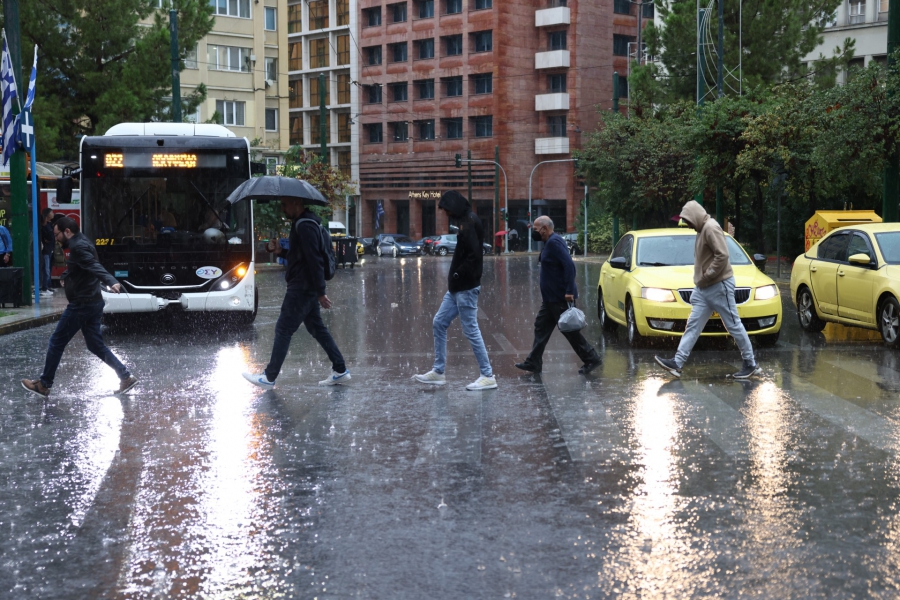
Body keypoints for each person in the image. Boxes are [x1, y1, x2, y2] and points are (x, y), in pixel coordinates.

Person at [21, 217, 138, 398]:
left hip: (81, 305)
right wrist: (67, 274)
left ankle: (44, 384)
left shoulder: (78, 246)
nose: (56, 238)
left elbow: (93, 265)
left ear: (67, 231)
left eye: (57, 234)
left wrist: (111, 281)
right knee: (95, 345)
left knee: (57, 341)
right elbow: (83, 264)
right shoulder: (83, 241)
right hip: (93, 302)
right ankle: (125, 377)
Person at [242, 197, 351, 388]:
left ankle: (269, 377)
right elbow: (299, 257)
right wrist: (281, 251)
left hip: (301, 288)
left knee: (283, 329)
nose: (283, 208)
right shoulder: (304, 223)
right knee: (317, 329)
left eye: (285, 204)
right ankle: (340, 369)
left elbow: (314, 260)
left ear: (296, 203)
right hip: (305, 287)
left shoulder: (304, 226)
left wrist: (320, 292)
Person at [654, 200, 762, 380]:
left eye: (688, 220)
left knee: (733, 324)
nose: (688, 225)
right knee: (693, 326)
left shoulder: (710, 227)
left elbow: (723, 255)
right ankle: (677, 363)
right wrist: (702, 282)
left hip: (719, 285)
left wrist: (707, 276)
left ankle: (750, 363)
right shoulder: (702, 228)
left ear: (694, 216)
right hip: (705, 288)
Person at [413, 190, 497, 391]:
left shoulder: (468, 222)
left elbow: (474, 255)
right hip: (457, 288)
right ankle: (438, 372)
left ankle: (487, 375)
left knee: (471, 329)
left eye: (447, 210)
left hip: (465, 288)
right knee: (439, 323)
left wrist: (459, 274)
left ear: (454, 207)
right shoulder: (465, 221)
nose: (446, 214)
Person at [515, 216, 602, 375]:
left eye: (535, 229)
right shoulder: (550, 242)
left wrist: (569, 290)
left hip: (559, 297)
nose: (534, 232)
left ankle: (592, 358)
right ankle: (534, 362)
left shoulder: (554, 243)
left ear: (544, 229)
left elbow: (569, 265)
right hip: (550, 299)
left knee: (570, 331)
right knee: (541, 327)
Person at [39, 208, 55, 296]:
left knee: (48, 268)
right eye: (52, 212)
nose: (53, 214)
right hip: (46, 250)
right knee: (46, 269)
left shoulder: (49, 224)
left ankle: (48, 286)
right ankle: (45, 288)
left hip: (50, 249)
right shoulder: (44, 225)